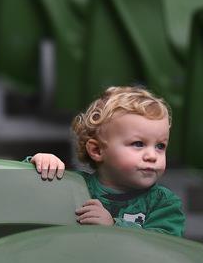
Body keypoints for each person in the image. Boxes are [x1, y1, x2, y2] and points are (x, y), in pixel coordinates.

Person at [28, 86, 185, 237]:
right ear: (97, 150)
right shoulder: (75, 186)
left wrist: (114, 227)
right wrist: (42, 164)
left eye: (160, 146)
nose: (152, 155)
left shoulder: (163, 203)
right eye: (138, 144)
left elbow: (166, 248)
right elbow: (25, 192)